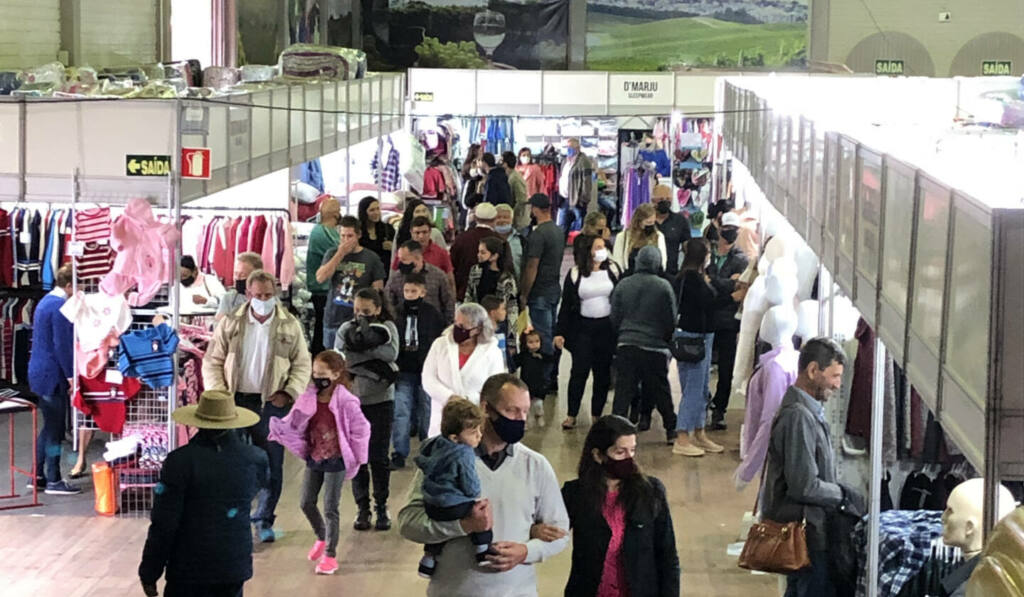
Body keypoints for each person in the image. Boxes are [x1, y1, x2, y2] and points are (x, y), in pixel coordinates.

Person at [398, 373, 570, 597]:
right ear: (485, 408)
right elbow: (408, 522)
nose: (521, 420)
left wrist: (527, 551)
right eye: (511, 411)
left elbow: (560, 534)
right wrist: (464, 525)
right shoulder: (442, 461)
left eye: (525, 411)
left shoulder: (536, 466)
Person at [202, 269, 312, 543]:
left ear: (275, 293)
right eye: (258, 295)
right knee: (233, 465)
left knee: (271, 464)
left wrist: (289, 393)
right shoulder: (231, 323)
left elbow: (302, 363)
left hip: (272, 403)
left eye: (268, 294)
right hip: (235, 402)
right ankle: (235, 520)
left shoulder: (290, 325)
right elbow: (212, 360)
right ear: (248, 294)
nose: (263, 300)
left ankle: (264, 518)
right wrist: (219, 395)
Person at [138, 391, 267, 597]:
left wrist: (149, 571)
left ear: (198, 422)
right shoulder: (256, 458)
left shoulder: (179, 461)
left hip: (188, 566)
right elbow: (256, 489)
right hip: (233, 562)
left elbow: (164, 522)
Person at [762, 337, 857, 597]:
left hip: (808, 531)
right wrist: (845, 496)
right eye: (834, 376)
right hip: (807, 534)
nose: (838, 385)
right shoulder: (798, 416)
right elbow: (804, 485)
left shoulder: (806, 412)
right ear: (813, 370)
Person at [268, 350, 371, 575]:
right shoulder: (309, 396)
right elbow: (294, 419)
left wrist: (358, 457)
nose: (317, 377)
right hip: (314, 456)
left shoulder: (346, 401)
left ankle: (330, 555)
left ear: (336, 374)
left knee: (330, 507)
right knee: (306, 501)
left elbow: (361, 428)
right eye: (314, 373)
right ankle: (321, 536)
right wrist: (280, 429)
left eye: (322, 373)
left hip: (337, 458)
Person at [562, 415, 680, 597]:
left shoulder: (651, 492)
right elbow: (553, 531)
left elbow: (668, 556)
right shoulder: (575, 494)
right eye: (620, 452)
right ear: (598, 455)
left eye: (632, 450)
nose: (629, 458)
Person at [334, 288, 400, 532]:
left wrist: (360, 352)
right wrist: (371, 362)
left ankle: (382, 506)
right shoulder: (344, 329)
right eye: (357, 311)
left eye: (367, 311)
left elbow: (391, 353)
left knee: (379, 457)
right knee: (357, 457)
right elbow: (341, 358)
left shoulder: (389, 328)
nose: (361, 315)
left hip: (382, 401)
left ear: (378, 309)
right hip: (354, 402)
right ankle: (363, 508)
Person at [415, 397, 492, 578]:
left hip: (432, 504)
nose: (479, 436)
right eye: (474, 433)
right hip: (453, 506)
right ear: (455, 437)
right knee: (480, 515)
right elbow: (470, 485)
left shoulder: (434, 444)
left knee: (439, 530)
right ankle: (483, 550)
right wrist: (475, 496)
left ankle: (428, 559)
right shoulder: (463, 453)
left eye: (480, 430)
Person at [610, 245, 678, 442]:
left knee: (623, 392)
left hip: (627, 344)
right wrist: (665, 339)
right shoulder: (663, 286)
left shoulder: (623, 284)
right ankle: (671, 429)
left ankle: (616, 433)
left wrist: (622, 333)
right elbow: (671, 319)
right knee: (661, 390)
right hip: (654, 345)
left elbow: (614, 316)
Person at [554, 234, 622, 430]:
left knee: (602, 373)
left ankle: (596, 414)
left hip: (606, 329)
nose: (602, 250)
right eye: (598, 247)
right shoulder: (575, 274)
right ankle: (572, 414)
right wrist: (560, 332)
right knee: (579, 371)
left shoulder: (614, 270)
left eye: (604, 246)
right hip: (583, 328)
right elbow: (566, 305)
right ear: (588, 251)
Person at [27, 264, 80, 495]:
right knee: (55, 429)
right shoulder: (60, 307)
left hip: (39, 370)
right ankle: (54, 479)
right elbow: (62, 346)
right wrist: (71, 376)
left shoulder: (45, 301)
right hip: (52, 374)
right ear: (69, 285)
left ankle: (37, 475)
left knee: (50, 426)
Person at [672, 239, 725, 457]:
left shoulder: (690, 277)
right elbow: (708, 302)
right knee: (693, 389)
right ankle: (682, 436)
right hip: (694, 337)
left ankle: (699, 432)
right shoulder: (691, 279)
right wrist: (730, 296)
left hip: (702, 335)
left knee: (702, 388)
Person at [422, 303, 507, 437]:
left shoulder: (492, 352)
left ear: (477, 329)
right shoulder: (440, 344)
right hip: (442, 414)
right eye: (456, 323)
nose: (456, 328)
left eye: (462, 326)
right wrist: (449, 397)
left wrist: (468, 401)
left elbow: (496, 387)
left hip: (474, 418)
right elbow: (428, 378)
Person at [392, 272, 446, 470]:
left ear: (423, 292)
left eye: (414, 291)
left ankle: (427, 448)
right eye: (406, 291)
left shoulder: (432, 314)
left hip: (426, 370)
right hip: (403, 370)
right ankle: (399, 452)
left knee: (427, 412)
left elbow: (438, 341)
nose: (410, 295)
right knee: (401, 412)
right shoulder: (396, 312)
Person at [706, 215, 749, 431]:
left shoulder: (741, 259)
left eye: (735, 229)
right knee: (701, 366)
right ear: (719, 228)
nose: (731, 232)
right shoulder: (708, 253)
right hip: (706, 319)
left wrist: (713, 282)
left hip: (727, 322)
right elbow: (711, 289)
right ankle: (704, 400)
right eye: (727, 228)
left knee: (725, 369)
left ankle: (719, 409)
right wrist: (727, 286)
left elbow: (739, 290)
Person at [519, 193, 565, 392]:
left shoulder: (538, 235)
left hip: (539, 292)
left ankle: (543, 380)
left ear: (536, 209)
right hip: (554, 288)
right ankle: (552, 376)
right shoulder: (557, 230)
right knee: (552, 334)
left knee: (542, 337)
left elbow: (532, 266)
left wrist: (524, 293)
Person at [316, 215, 387, 344]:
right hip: (333, 318)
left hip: (358, 320)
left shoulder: (371, 258)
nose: (345, 240)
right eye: (342, 236)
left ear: (358, 235)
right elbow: (320, 278)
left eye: (350, 236)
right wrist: (340, 254)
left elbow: (378, 289)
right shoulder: (332, 253)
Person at [385, 240, 455, 325]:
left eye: (403, 259)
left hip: (433, 325)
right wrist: (397, 321)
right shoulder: (396, 277)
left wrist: (446, 325)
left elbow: (448, 302)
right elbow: (388, 301)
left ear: (418, 258)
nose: (400, 263)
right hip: (405, 324)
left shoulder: (438, 275)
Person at [466, 237, 519, 346]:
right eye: (478, 252)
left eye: (483, 252)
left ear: (494, 256)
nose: (478, 255)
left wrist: (512, 340)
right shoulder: (475, 271)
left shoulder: (507, 279)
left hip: (498, 325)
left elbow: (512, 309)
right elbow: (469, 295)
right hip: (478, 322)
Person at [307, 198, 341, 353]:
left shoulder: (331, 232)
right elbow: (338, 254)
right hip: (322, 290)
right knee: (322, 330)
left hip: (331, 290)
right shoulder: (320, 233)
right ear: (335, 214)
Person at [450, 202, 500, 300]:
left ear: (475, 218)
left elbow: (451, 266)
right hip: (492, 298)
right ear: (495, 219)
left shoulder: (462, 238)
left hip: (463, 294)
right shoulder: (499, 241)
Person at [393, 215, 455, 290]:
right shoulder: (402, 253)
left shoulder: (441, 253)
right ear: (411, 233)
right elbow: (394, 278)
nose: (421, 236)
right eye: (417, 233)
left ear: (430, 232)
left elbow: (450, 281)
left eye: (424, 232)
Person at [612, 203, 667, 274]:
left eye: (653, 222)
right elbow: (617, 262)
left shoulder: (659, 236)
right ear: (638, 222)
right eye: (648, 222)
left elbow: (663, 261)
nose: (651, 225)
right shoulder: (622, 237)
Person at [513, 330, 552, 428]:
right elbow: (514, 363)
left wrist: (558, 349)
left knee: (538, 402)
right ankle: (524, 421)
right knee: (525, 404)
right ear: (525, 344)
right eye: (530, 342)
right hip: (526, 384)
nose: (534, 345)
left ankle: (539, 410)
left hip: (540, 384)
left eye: (537, 341)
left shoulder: (543, 355)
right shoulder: (523, 356)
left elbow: (552, 359)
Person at [652, 185, 691, 278]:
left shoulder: (680, 220)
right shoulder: (646, 220)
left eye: (668, 199)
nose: (665, 201)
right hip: (648, 272)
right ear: (653, 200)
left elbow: (687, 248)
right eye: (661, 199)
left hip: (671, 272)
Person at [215, 252, 263, 322]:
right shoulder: (229, 298)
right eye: (236, 274)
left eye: (243, 275)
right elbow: (219, 325)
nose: (238, 278)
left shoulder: (268, 298)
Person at [357, 196, 396, 274]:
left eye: (378, 209)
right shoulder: (357, 231)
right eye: (372, 210)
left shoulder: (388, 229)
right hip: (364, 273)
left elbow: (399, 250)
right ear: (364, 212)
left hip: (384, 272)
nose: (376, 212)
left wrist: (393, 247)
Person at [515, 147, 546, 227]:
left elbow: (541, 184)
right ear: (519, 156)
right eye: (524, 155)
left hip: (531, 200)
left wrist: (541, 199)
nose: (526, 157)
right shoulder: (516, 169)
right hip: (518, 201)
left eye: (528, 155)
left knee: (531, 224)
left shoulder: (535, 168)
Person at [480, 295, 513, 371]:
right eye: (502, 309)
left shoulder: (502, 328)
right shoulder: (483, 332)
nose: (505, 312)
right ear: (493, 312)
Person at [493, 203, 524, 278]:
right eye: (498, 217)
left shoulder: (521, 240)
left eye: (506, 217)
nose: (502, 220)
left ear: (512, 220)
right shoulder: (487, 238)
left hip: (515, 285)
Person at [502, 151, 528, 224]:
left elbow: (521, 200)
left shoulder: (515, 178)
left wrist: (511, 215)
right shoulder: (510, 176)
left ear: (505, 164)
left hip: (519, 221)